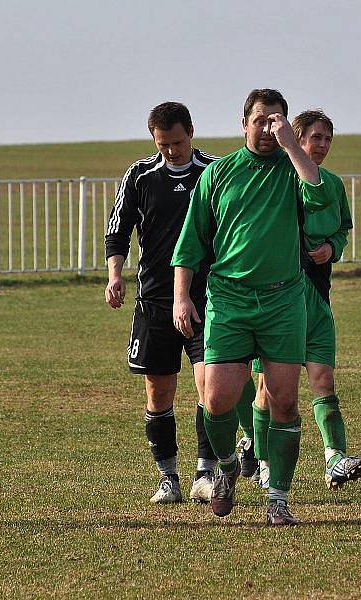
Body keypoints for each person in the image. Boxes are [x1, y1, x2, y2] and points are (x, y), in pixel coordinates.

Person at [172, 89, 329, 526]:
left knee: (283, 401)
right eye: (260, 120)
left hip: (283, 299)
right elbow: (191, 242)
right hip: (228, 299)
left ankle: (277, 497)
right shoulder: (219, 173)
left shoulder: (295, 168)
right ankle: (224, 467)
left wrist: (292, 145)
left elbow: (317, 194)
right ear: (244, 123)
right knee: (217, 398)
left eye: (275, 121)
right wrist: (182, 296)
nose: (266, 129)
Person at [104, 102, 218, 504]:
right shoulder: (140, 175)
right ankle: (168, 477)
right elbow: (118, 231)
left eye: (178, 142)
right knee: (159, 392)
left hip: (207, 298)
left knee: (211, 388)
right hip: (154, 299)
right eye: (163, 144)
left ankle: (205, 473)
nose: (171, 150)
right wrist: (116, 274)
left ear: (191, 132)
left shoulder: (214, 172)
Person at [251, 110, 361, 490]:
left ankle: (334, 458)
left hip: (317, 298)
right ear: (295, 139)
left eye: (327, 139)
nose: (321, 145)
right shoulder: (281, 181)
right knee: (267, 390)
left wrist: (331, 248)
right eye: (315, 137)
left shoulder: (333, 185)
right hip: (277, 298)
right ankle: (263, 459)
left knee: (323, 379)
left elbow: (342, 230)